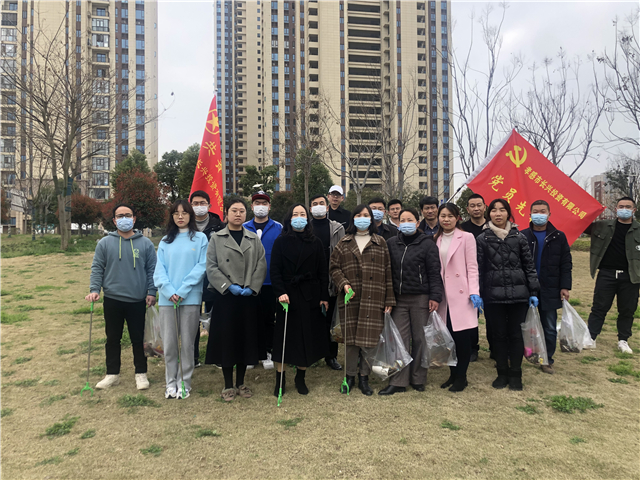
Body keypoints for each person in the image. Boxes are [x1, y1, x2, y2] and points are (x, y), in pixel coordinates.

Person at [87, 204, 157, 390]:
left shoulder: (146, 244)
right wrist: (95, 289)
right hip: (112, 299)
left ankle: (141, 373)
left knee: (138, 339)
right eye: (120, 216)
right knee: (112, 338)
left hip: (137, 299)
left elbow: (152, 270)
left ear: (134, 219)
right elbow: (97, 267)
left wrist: (152, 291)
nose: (124, 218)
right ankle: (112, 374)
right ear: (114, 220)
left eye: (128, 215)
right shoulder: (104, 243)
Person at [205, 197, 267, 402]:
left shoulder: (253, 239)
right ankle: (227, 384)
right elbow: (211, 267)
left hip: (248, 298)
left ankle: (241, 382)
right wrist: (227, 285)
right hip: (226, 298)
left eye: (241, 211)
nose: (238, 214)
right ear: (226, 213)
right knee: (227, 340)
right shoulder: (216, 238)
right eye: (234, 210)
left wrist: (252, 287)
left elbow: (261, 264)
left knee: (245, 340)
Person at [329, 205, 396, 396]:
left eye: (366, 215)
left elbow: (388, 271)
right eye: (358, 215)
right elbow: (334, 267)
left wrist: (389, 299)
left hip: (374, 296)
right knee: (351, 340)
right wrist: (343, 284)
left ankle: (364, 378)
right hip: (351, 297)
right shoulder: (344, 242)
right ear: (353, 219)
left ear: (371, 219)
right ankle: (349, 376)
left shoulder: (380, 242)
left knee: (369, 340)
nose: (362, 218)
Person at [476, 199, 539, 391]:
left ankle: (516, 374)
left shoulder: (519, 237)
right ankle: (502, 372)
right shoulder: (482, 239)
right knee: (498, 335)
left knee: (516, 335)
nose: (498, 214)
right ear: (489, 214)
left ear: (508, 213)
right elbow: (478, 268)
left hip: (518, 295)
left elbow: (529, 266)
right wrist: (478, 292)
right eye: (494, 210)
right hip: (493, 296)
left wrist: (533, 290)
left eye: (502, 210)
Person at [270, 204, 329, 396]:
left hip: (309, 295)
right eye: (295, 214)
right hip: (287, 296)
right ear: (289, 219)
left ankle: (300, 378)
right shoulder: (280, 241)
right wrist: (280, 292)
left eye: (302, 214)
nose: (299, 217)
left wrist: (323, 296)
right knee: (283, 339)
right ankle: (280, 380)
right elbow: (275, 270)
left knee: (306, 338)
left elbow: (323, 271)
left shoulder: (316, 242)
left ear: (307, 218)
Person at [383, 208, 442, 395]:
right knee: (399, 339)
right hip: (398, 299)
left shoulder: (427, 244)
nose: (406, 223)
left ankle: (418, 378)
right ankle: (398, 380)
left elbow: (434, 272)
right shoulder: (391, 243)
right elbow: (386, 272)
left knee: (420, 339)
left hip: (420, 298)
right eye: (402, 220)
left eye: (410, 220)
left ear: (417, 223)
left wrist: (435, 296)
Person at [153, 200, 208, 399]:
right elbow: (159, 270)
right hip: (167, 299)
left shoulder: (200, 238)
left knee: (187, 343)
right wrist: (169, 291)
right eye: (176, 213)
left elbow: (202, 266)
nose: (180, 216)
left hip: (190, 297)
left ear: (190, 215)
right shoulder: (165, 241)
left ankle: (184, 382)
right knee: (169, 344)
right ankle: (170, 383)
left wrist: (183, 290)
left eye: (184, 213)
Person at [521, 200, 572, 374]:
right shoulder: (522, 235)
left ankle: (547, 359)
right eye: (535, 211)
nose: (539, 214)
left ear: (549, 214)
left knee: (549, 327)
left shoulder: (559, 236)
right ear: (530, 214)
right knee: (523, 324)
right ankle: (523, 354)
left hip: (550, 287)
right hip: (526, 287)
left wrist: (565, 286)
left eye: (543, 211)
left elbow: (566, 263)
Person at [434, 203, 480, 392]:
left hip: (462, 295)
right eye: (443, 216)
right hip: (443, 296)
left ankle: (462, 377)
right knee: (448, 339)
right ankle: (453, 374)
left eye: (450, 216)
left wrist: (474, 291)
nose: (446, 219)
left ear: (457, 218)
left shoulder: (466, 237)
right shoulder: (435, 239)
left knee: (462, 339)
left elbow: (472, 266)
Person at [586, 197, 639, 354]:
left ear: (634, 210)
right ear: (616, 209)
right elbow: (581, 224)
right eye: (621, 206)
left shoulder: (638, 229)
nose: (624, 209)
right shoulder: (602, 226)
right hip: (606, 274)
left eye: (628, 207)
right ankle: (591, 337)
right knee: (599, 307)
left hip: (630, 276)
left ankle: (623, 340)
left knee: (627, 310)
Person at [243, 190, 282, 370]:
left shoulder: (278, 228)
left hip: (269, 283)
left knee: (268, 319)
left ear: (269, 206)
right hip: (248, 283)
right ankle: (251, 354)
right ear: (252, 206)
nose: (261, 206)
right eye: (257, 203)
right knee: (250, 319)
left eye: (264, 203)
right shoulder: (244, 227)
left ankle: (267, 351)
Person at [310, 193, 345, 371]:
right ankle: (312, 354)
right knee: (312, 320)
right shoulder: (306, 227)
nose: (318, 206)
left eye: (321, 203)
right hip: (311, 281)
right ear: (310, 208)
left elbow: (343, 254)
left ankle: (331, 356)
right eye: (315, 203)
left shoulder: (337, 228)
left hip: (331, 280)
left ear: (327, 206)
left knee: (331, 320)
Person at [190, 190, 224, 368]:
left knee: (215, 320)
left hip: (214, 280)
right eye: (195, 203)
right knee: (192, 321)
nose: (199, 206)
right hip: (191, 281)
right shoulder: (185, 226)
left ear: (209, 205)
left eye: (202, 203)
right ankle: (192, 357)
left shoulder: (219, 226)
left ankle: (216, 356)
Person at [461, 193, 487, 362]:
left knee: (494, 317)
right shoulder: (462, 229)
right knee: (471, 316)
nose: (476, 209)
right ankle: (472, 348)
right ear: (467, 209)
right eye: (472, 206)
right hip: (468, 277)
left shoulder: (492, 226)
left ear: (484, 207)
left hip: (490, 276)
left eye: (479, 205)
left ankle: (496, 348)